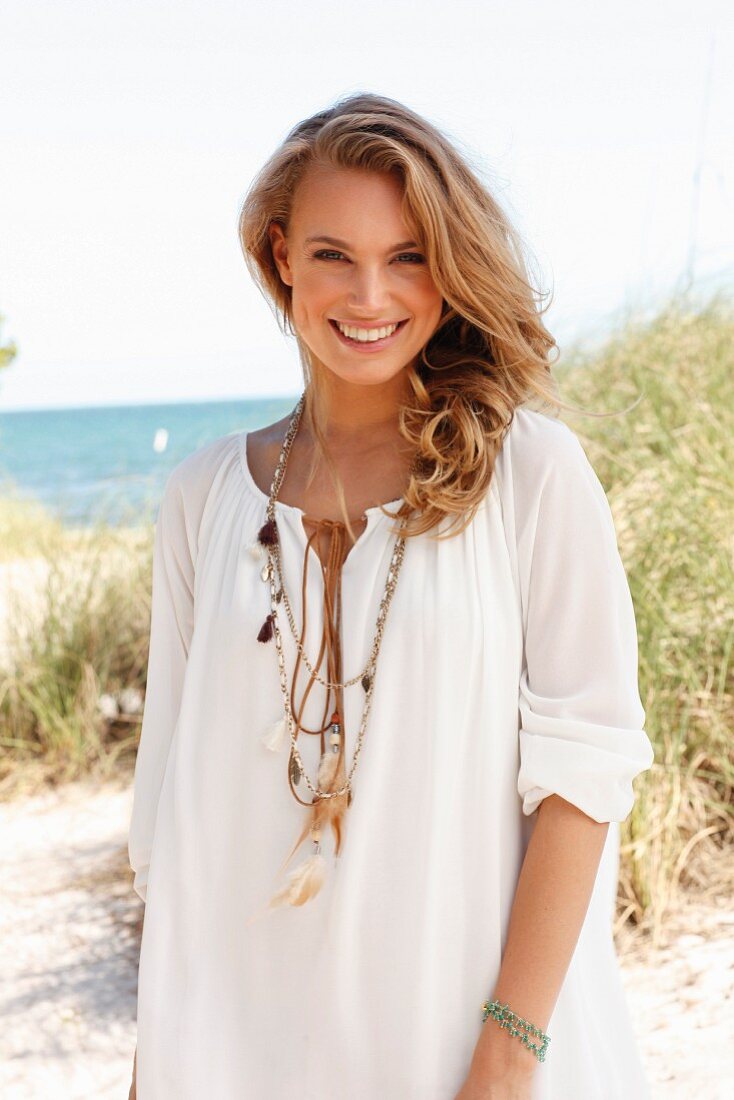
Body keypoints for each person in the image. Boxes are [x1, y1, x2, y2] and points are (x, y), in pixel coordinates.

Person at [126, 92, 655, 1100]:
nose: (369, 293)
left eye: (406, 255)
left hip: (464, 1034)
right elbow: (169, 811)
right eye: (333, 254)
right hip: (241, 1042)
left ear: (447, 266)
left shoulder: (530, 475)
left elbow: (583, 776)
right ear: (281, 254)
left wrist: (506, 1054)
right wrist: (157, 1066)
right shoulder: (202, 496)